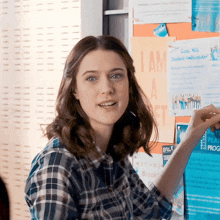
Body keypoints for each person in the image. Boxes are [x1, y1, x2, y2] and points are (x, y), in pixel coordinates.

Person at [24, 36, 220, 220]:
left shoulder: (112, 156)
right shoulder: (57, 165)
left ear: (129, 84)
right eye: (92, 78)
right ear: (74, 89)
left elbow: (149, 212)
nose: (107, 88)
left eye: (116, 76)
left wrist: (188, 141)